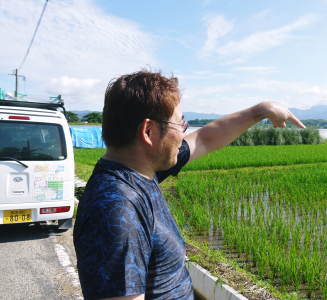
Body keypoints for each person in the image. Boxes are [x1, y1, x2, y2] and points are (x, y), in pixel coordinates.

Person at [73, 70, 305, 300]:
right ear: (149, 131)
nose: (184, 133)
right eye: (179, 124)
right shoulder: (116, 209)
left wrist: (260, 111)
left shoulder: (141, 170)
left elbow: (205, 139)